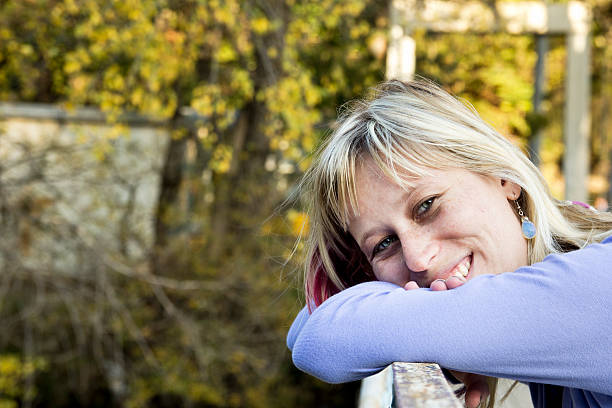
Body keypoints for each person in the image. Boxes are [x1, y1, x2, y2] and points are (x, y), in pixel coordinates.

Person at [286, 79, 612, 408]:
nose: (417, 259)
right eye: (384, 243)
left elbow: (321, 340)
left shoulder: (601, 282)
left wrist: (421, 323)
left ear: (504, 177)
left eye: (427, 205)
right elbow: (308, 327)